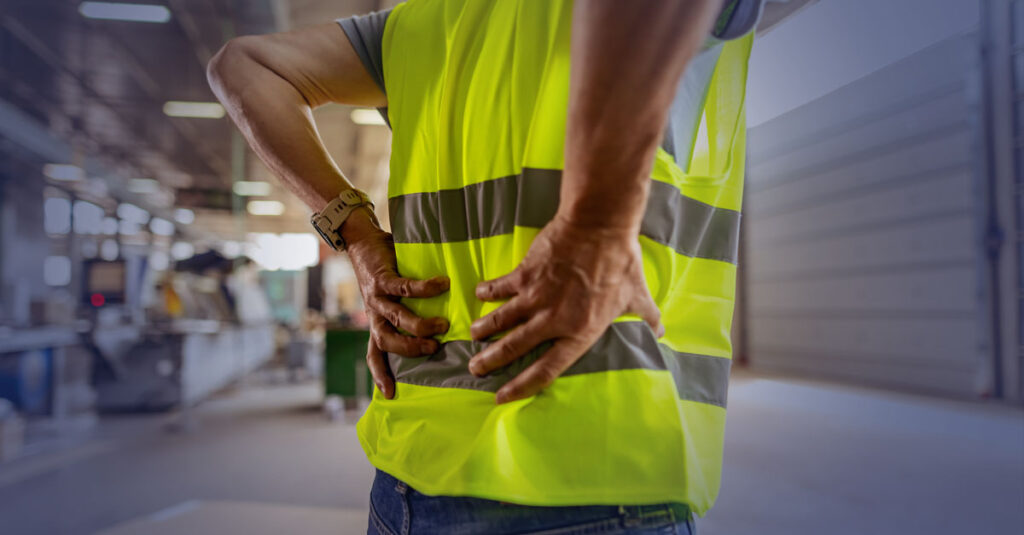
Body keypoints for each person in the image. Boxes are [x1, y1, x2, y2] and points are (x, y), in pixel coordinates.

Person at [208, 0, 761, 532]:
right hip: (593, 457)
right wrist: (597, 224)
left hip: (408, 478)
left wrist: (357, 234)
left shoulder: (417, 25)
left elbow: (243, 66)